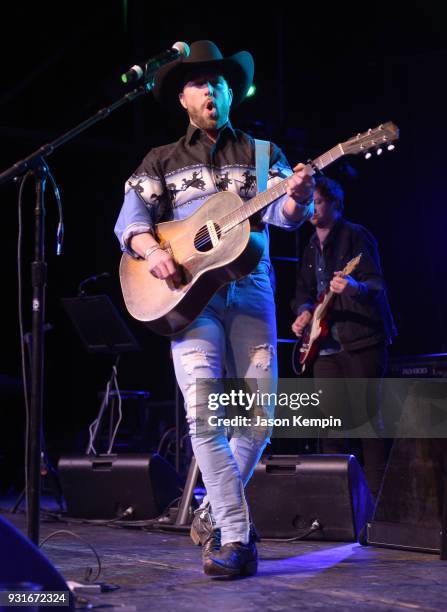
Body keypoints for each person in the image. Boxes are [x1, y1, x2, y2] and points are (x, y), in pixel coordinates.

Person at [114, 40, 315, 577]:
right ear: (183, 97)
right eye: (201, 83)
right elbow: (129, 222)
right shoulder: (159, 160)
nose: (213, 91)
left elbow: (288, 217)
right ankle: (237, 537)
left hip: (251, 289)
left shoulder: (263, 151)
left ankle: (210, 509)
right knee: (205, 419)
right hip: (188, 299)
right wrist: (154, 252)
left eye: (221, 83)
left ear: (231, 94)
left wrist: (299, 195)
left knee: (260, 418)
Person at [291, 176, 396, 497]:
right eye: (309, 202)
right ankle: (336, 504)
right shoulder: (310, 246)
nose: (312, 208)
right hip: (325, 350)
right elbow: (302, 293)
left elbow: (376, 286)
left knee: (369, 425)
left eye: (318, 202)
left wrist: (354, 288)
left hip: (361, 341)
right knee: (329, 427)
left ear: (336, 205)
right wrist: (304, 312)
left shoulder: (356, 236)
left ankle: (380, 506)